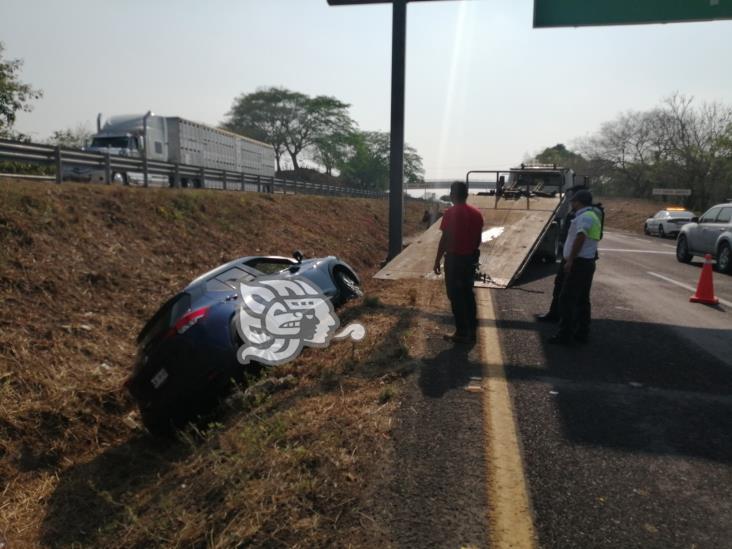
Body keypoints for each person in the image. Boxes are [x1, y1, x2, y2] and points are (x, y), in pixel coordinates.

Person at [549, 189, 602, 345]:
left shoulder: (585, 217)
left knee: (566, 299)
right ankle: (581, 333)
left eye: (573, 201)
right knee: (582, 299)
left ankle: (565, 335)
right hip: (586, 263)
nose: (571, 203)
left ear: (579, 202)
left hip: (579, 263)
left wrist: (570, 260)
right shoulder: (593, 215)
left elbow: (580, 237)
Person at [433, 182, 484, 343]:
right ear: (466, 194)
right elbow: (478, 240)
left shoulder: (451, 213)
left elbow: (445, 238)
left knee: (455, 296)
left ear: (453, 194)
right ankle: (472, 331)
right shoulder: (477, 213)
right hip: (470, 259)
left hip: (454, 260)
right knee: (468, 294)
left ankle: (461, 332)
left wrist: (437, 260)